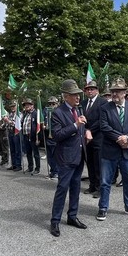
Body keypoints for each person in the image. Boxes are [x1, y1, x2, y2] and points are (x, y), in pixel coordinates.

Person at [96, 77, 128, 221]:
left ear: (124, 93)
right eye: (113, 91)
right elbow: (104, 127)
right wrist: (120, 139)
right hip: (110, 150)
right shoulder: (105, 108)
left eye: (118, 91)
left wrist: (127, 138)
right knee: (105, 181)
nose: (115, 94)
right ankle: (103, 207)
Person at [49, 79, 89, 237]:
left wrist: (85, 132)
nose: (78, 97)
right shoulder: (58, 113)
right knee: (62, 189)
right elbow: (57, 135)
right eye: (74, 95)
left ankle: (72, 216)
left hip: (79, 155)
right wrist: (76, 126)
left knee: (76, 188)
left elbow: (80, 129)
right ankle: (55, 221)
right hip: (66, 157)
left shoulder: (77, 110)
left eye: (78, 94)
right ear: (66, 96)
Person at [81, 80, 106, 194]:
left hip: (98, 137)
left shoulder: (103, 102)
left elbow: (102, 120)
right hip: (86, 137)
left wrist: (90, 130)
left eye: (92, 89)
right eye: (87, 89)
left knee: (98, 163)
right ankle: (92, 185)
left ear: (97, 90)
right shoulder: (83, 103)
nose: (90, 91)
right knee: (89, 161)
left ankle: (100, 188)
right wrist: (85, 130)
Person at [21, 98, 40, 174]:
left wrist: (38, 138)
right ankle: (30, 167)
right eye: (25, 105)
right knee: (28, 153)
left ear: (32, 105)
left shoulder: (36, 114)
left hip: (33, 137)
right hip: (26, 136)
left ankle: (37, 168)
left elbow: (39, 127)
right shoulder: (25, 114)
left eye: (28, 104)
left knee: (36, 153)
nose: (27, 106)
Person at [42, 96, 59, 179]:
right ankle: (52, 171)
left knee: (55, 155)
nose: (51, 105)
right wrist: (43, 125)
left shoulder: (58, 112)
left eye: (53, 104)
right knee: (49, 156)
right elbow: (43, 121)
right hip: (47, 136)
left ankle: (56, 172)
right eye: (50, 104)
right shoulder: (46, 111)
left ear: (57, 104)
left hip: (55, 137)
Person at [5, 101, 22, 171]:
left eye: (14, 106)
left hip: (16, 132)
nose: (12, 108)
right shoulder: (10, 114)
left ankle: (18, 165)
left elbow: (17, 123)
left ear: (17, 106)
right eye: (11, 106)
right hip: (10, 132)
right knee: (12, 149)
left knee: (17, 149)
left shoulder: (20, 114)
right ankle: (13, 164)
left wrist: (8, 121)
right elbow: (7, 123)